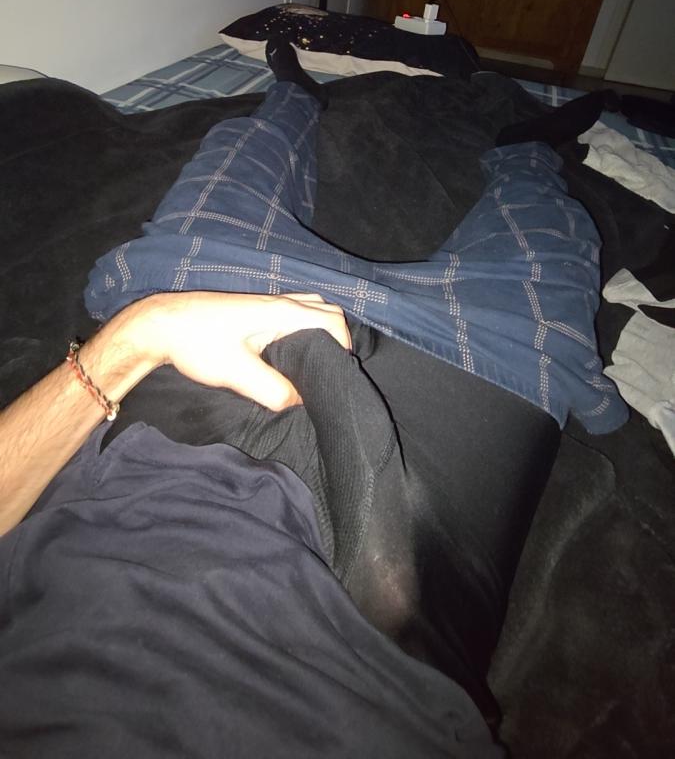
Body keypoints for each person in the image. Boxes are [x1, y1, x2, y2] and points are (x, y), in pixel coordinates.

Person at [0, 44, 627, 758]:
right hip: (436, 488)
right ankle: (525, 151)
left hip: (193, 355)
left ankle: (294, 96)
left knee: (240, 156)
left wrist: (135, 337)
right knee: (552, 246)